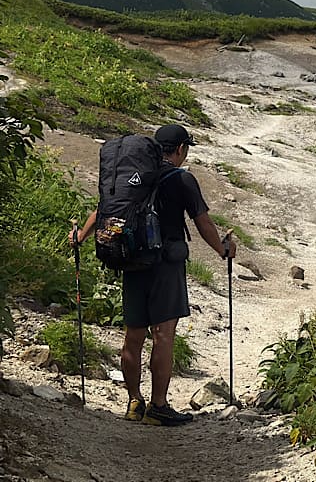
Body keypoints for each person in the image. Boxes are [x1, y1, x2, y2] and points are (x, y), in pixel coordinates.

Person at [72, 124, 237, 426]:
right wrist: (223, 251)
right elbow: (203, 223)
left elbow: (102, 211)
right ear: (180, 150)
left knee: (133, 335)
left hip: (132, 261)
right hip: (166, 265)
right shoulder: (182, 179)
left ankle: (134, 402)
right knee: (163, 336)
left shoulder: (133, 177)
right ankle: (159, 406)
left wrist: (80, 237)